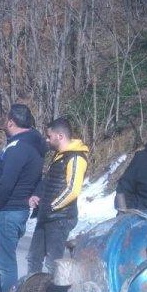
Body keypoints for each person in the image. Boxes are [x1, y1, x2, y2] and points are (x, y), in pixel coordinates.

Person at [0, 104, 46, 292]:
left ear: (11, 122)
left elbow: (6, 182)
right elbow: (39, 177)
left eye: (5, 118)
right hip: (17, 208)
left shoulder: (18, 148)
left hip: (7, 210)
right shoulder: (35, 145)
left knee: (5, 262)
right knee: (6, 260)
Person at [27, 117, 89, 275]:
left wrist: (52, 206)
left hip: (60, 218)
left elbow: (73, 189)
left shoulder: (75, 157)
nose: (47, 140)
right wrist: (38, 196)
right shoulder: (59, 155)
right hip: (47, 215)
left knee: (53, 264)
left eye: (49, 136)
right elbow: (49, 181)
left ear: (60, 136)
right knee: (33, 258)